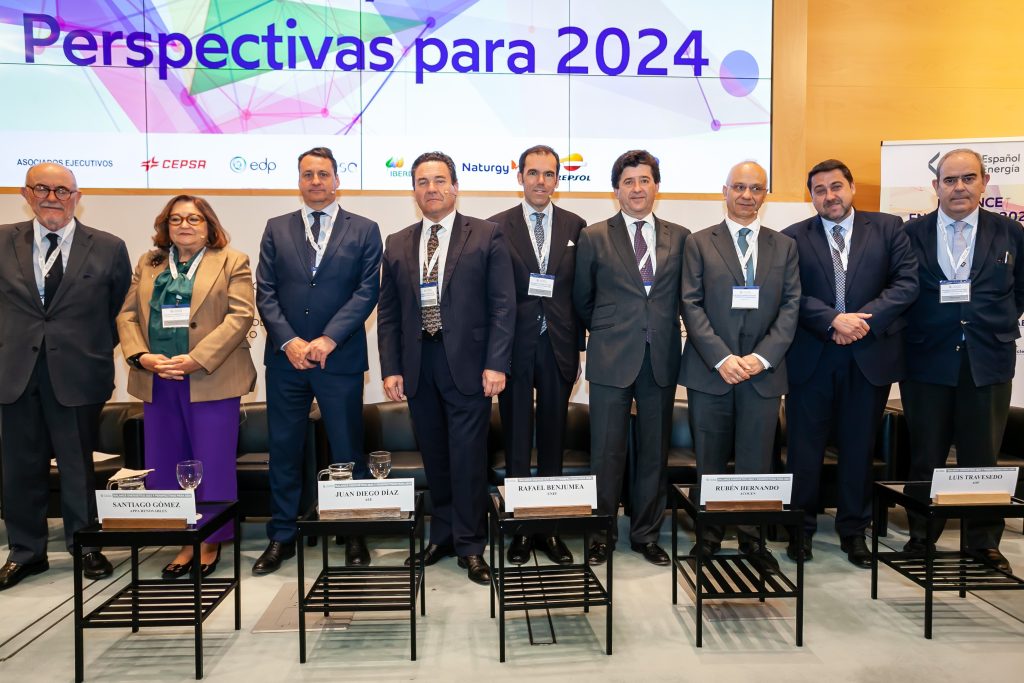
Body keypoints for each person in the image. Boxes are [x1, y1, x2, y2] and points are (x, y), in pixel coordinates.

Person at [378, 151, 515, 585]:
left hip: (470, 366)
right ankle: (441, 535)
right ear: (414, 190)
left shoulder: (487, 234)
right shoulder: (397, 242)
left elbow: (503, 304)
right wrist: (390, 367)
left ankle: (471, 545)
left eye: (439, 180)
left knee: (468, 458)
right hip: (419, 366)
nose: (431, 189)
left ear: (455, 186)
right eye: (422, 182)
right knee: (435, 457)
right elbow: (388, 313)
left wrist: (496, 362)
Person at [0, 163, 131, 590]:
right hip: (14, 373)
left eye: (62, 190)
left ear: (77, 196)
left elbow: (120, 313)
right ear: (26, 194)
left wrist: (92, 351)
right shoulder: (2, 240)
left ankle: (85, 545)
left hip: (79, 373)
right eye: (42, 188)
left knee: (78, 465)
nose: (52, 197)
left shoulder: (108, 247)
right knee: (19, 467)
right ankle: (26, 552)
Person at [782, 159, 918, 567]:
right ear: (811, 196)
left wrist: (860, 323)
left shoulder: (889, 228)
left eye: (836, 186)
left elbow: (906, 283)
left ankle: (854, 531)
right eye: (820, 190)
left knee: (859, 449)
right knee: (804, 450)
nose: (830, 196)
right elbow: (790, 294)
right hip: (813, 357)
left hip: (868, 356)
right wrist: (832, 320)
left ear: (852, 188)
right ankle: (800, 530)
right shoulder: (792, 238)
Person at [254, 147, 383, 574]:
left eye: (323, 174)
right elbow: (265, 291)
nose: (315, 181)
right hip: (286, 361)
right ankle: (282, 535)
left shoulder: (364, 229)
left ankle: (354, 532)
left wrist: (328, 339)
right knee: (284, 450)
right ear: (299, 181)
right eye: (307, 174)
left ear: (336, 180)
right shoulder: (276, 228)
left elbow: (367, 291)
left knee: (347, 451)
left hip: (338, 359)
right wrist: (289, 341)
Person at [117, 195, 256, 578]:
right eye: (176, 219)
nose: (184, 225)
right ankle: (181, 538)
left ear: (209, 226)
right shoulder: (149, 263)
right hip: (159, 377)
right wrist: (141, 356)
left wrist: (198, 358)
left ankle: (210, 540)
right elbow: (127, 315)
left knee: (212, 462)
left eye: (194, 219)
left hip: (211, 377)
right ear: (166, 226)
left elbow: (240, 315)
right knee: (165, 462)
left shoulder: (232, 261)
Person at [900, 148, 1024, 572]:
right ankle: (921, 536)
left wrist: (990, 322)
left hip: (987, 359)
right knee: (925, 454)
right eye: (950, 180)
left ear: (984, 182)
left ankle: (983, 542)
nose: (959, 187)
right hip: (926, 359)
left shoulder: (1011, 232)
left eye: (968, 178)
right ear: (935, 186)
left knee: (982, 456)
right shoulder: (910, 234)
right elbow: (899, 291)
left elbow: (1020, 291)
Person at [679, 161, 800, 573]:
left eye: (756, 188)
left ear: (766, 194)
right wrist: (722, 358)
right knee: (709, 461)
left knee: (756, 462)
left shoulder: (784, 246)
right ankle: (708, 538)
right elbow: (690, 303)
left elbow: (791, 306)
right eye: (740, 187)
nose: (747, 195)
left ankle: (752, 540)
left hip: (763, 374)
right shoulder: (698, 242)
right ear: (725, 191)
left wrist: (761, 358)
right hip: (711, 371)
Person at [573, 150, 689, 566]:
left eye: (644, 180)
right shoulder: (594, 236)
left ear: (657, 186)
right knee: (606, 452)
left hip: (660, 356)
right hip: (611, 355)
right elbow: (582, 299)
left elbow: (684, 296)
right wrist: (611, 330)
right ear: (616, 190)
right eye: (628, 182)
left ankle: (645, 535)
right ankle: (600, 534)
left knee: (654, 452)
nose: (637, 189)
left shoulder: (681, 237)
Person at [488, 145, 587, 566]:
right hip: (513, 346)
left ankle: (549, 528)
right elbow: (493, 294)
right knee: (515, 443)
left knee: (552, 441)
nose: (541, 181)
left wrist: (579, 347)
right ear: (520, 177)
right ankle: (520, 529)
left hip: (558, 345)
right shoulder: (496, 226)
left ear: (558, 179)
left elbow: (580, 293)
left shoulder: (576, 225)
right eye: (533, 173)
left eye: (549, 174)